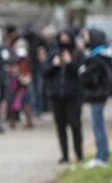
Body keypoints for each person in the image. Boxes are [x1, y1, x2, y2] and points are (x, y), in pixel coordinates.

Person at [80, 28, 112, 169]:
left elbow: (86, 76)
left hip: (97, 96)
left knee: (98, 126)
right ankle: (101, 155)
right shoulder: (102, 55)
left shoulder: (98, 58)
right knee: (98, 126)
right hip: (98, 95)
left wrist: (83, 71)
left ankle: (102, 157)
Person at [43, 29, 85, 165]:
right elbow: (45, 73)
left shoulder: (78, 54)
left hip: (73, 97)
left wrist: (70, 63)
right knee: (60, 126)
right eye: (62, 38)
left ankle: (79, 153)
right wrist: (54, 66)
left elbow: (81, 73)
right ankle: (64, 154)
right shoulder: (53, 54)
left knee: (75, 125)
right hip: (57, 97)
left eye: (67, 38)